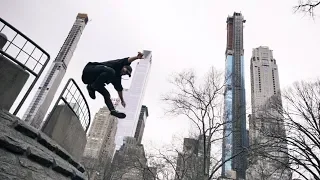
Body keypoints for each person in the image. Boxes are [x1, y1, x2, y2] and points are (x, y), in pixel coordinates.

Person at [81, 52, 144, 119]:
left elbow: (119, 90)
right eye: (126, 71)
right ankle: (92, 87)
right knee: (111, 71)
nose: (124, 73)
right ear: (124, 66)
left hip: (90, 80)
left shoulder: (117, 78)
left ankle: (113, 111)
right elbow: (128, 60)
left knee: (107, 94)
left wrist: (122, 100)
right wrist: (136, 57)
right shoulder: (118, 64)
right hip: (90, 70)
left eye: (126, 74)